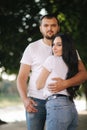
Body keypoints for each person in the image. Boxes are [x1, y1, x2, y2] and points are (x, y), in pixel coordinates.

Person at [17, 14, 87, 130]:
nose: (50, 28)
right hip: (36, 102)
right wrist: (25, 99)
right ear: (40, 28)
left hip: (61, 100)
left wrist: (66, 83)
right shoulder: (32, 47)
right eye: (46, 25)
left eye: (53, 25)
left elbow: (83, 74)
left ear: (58, 27)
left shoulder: (70, 50)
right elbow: (22, 77)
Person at [36, 33, 80, 130]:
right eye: (53, 44)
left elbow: (38, 85)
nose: (54, 48)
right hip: (71, 107)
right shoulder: (73, 63)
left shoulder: (51, 59)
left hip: (56, 105)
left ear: (66, 47)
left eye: (59, 45)